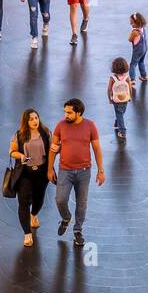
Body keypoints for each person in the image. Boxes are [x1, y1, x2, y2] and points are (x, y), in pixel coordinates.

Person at [48, 98, 104, 248]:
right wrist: (49, 169)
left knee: (81, 203)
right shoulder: (60, 125)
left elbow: (97, 149)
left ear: (78, 113)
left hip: (84, 171)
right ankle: (66, 218)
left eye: (69, 112)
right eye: (65, 112)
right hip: (65, 170)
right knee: (60, 199)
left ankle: (78, 231)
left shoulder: (90, 126)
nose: (66, 115)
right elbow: (53, 149)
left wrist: (101, 170)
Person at [9, 109, 50, 246]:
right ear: (26, 121)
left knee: (39, 200)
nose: (35, 121)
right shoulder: (19, 135)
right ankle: (27, 234)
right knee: (23, 202)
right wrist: (20, 156)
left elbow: (52, 149)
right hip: (25, 174)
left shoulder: (45, 132)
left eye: (36, 118)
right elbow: (12, 151)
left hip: (41, 173)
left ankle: (34, 215)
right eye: (31, 119)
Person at [108, 58, 133, 141]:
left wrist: (109, 98)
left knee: (119, 113)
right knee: (121, 112)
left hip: (116, 99)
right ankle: (117, 122)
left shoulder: (113, 78)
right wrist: (130, 96)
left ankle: (122, 131)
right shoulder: (127, 77)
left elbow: (109, 89)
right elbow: (130, 87)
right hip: (125, 98)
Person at [128, 12, 148, 82]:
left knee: (132, 64)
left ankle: (132, 79)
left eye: (132, 23)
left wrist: (131, 33)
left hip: (138, 50)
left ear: (137, 23)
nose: (130, 24)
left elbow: (129, 39)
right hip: (145, 48)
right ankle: (144, 76)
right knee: (141, 62)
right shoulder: (142, 28)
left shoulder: (135, 32)